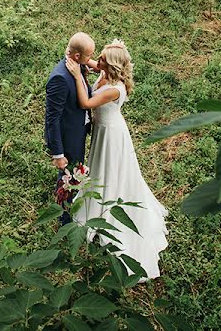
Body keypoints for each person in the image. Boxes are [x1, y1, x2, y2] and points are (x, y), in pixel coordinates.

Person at [64, 40, 169, 280]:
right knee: (100, 166)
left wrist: (77, 77)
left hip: (111, 134)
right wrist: (75, 56)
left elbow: (86, 103)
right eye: (98, 58)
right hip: (103, 130)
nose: (96, 63)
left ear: (112, 67)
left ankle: (108, 205)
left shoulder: (115, 89)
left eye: (101, 60)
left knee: (110, 169)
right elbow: (90, 62)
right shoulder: (104, 72)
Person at [44, 32, 95, 224]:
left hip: (78, 130)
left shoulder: (77, 65)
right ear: (76, 56)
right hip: (68, 137)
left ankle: (68, 206)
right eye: (89, 56)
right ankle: (64, 219)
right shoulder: (60, 78)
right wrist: (57, 153)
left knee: (75, 172)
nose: (91, 60)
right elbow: (52, 119)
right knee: (68, 175)